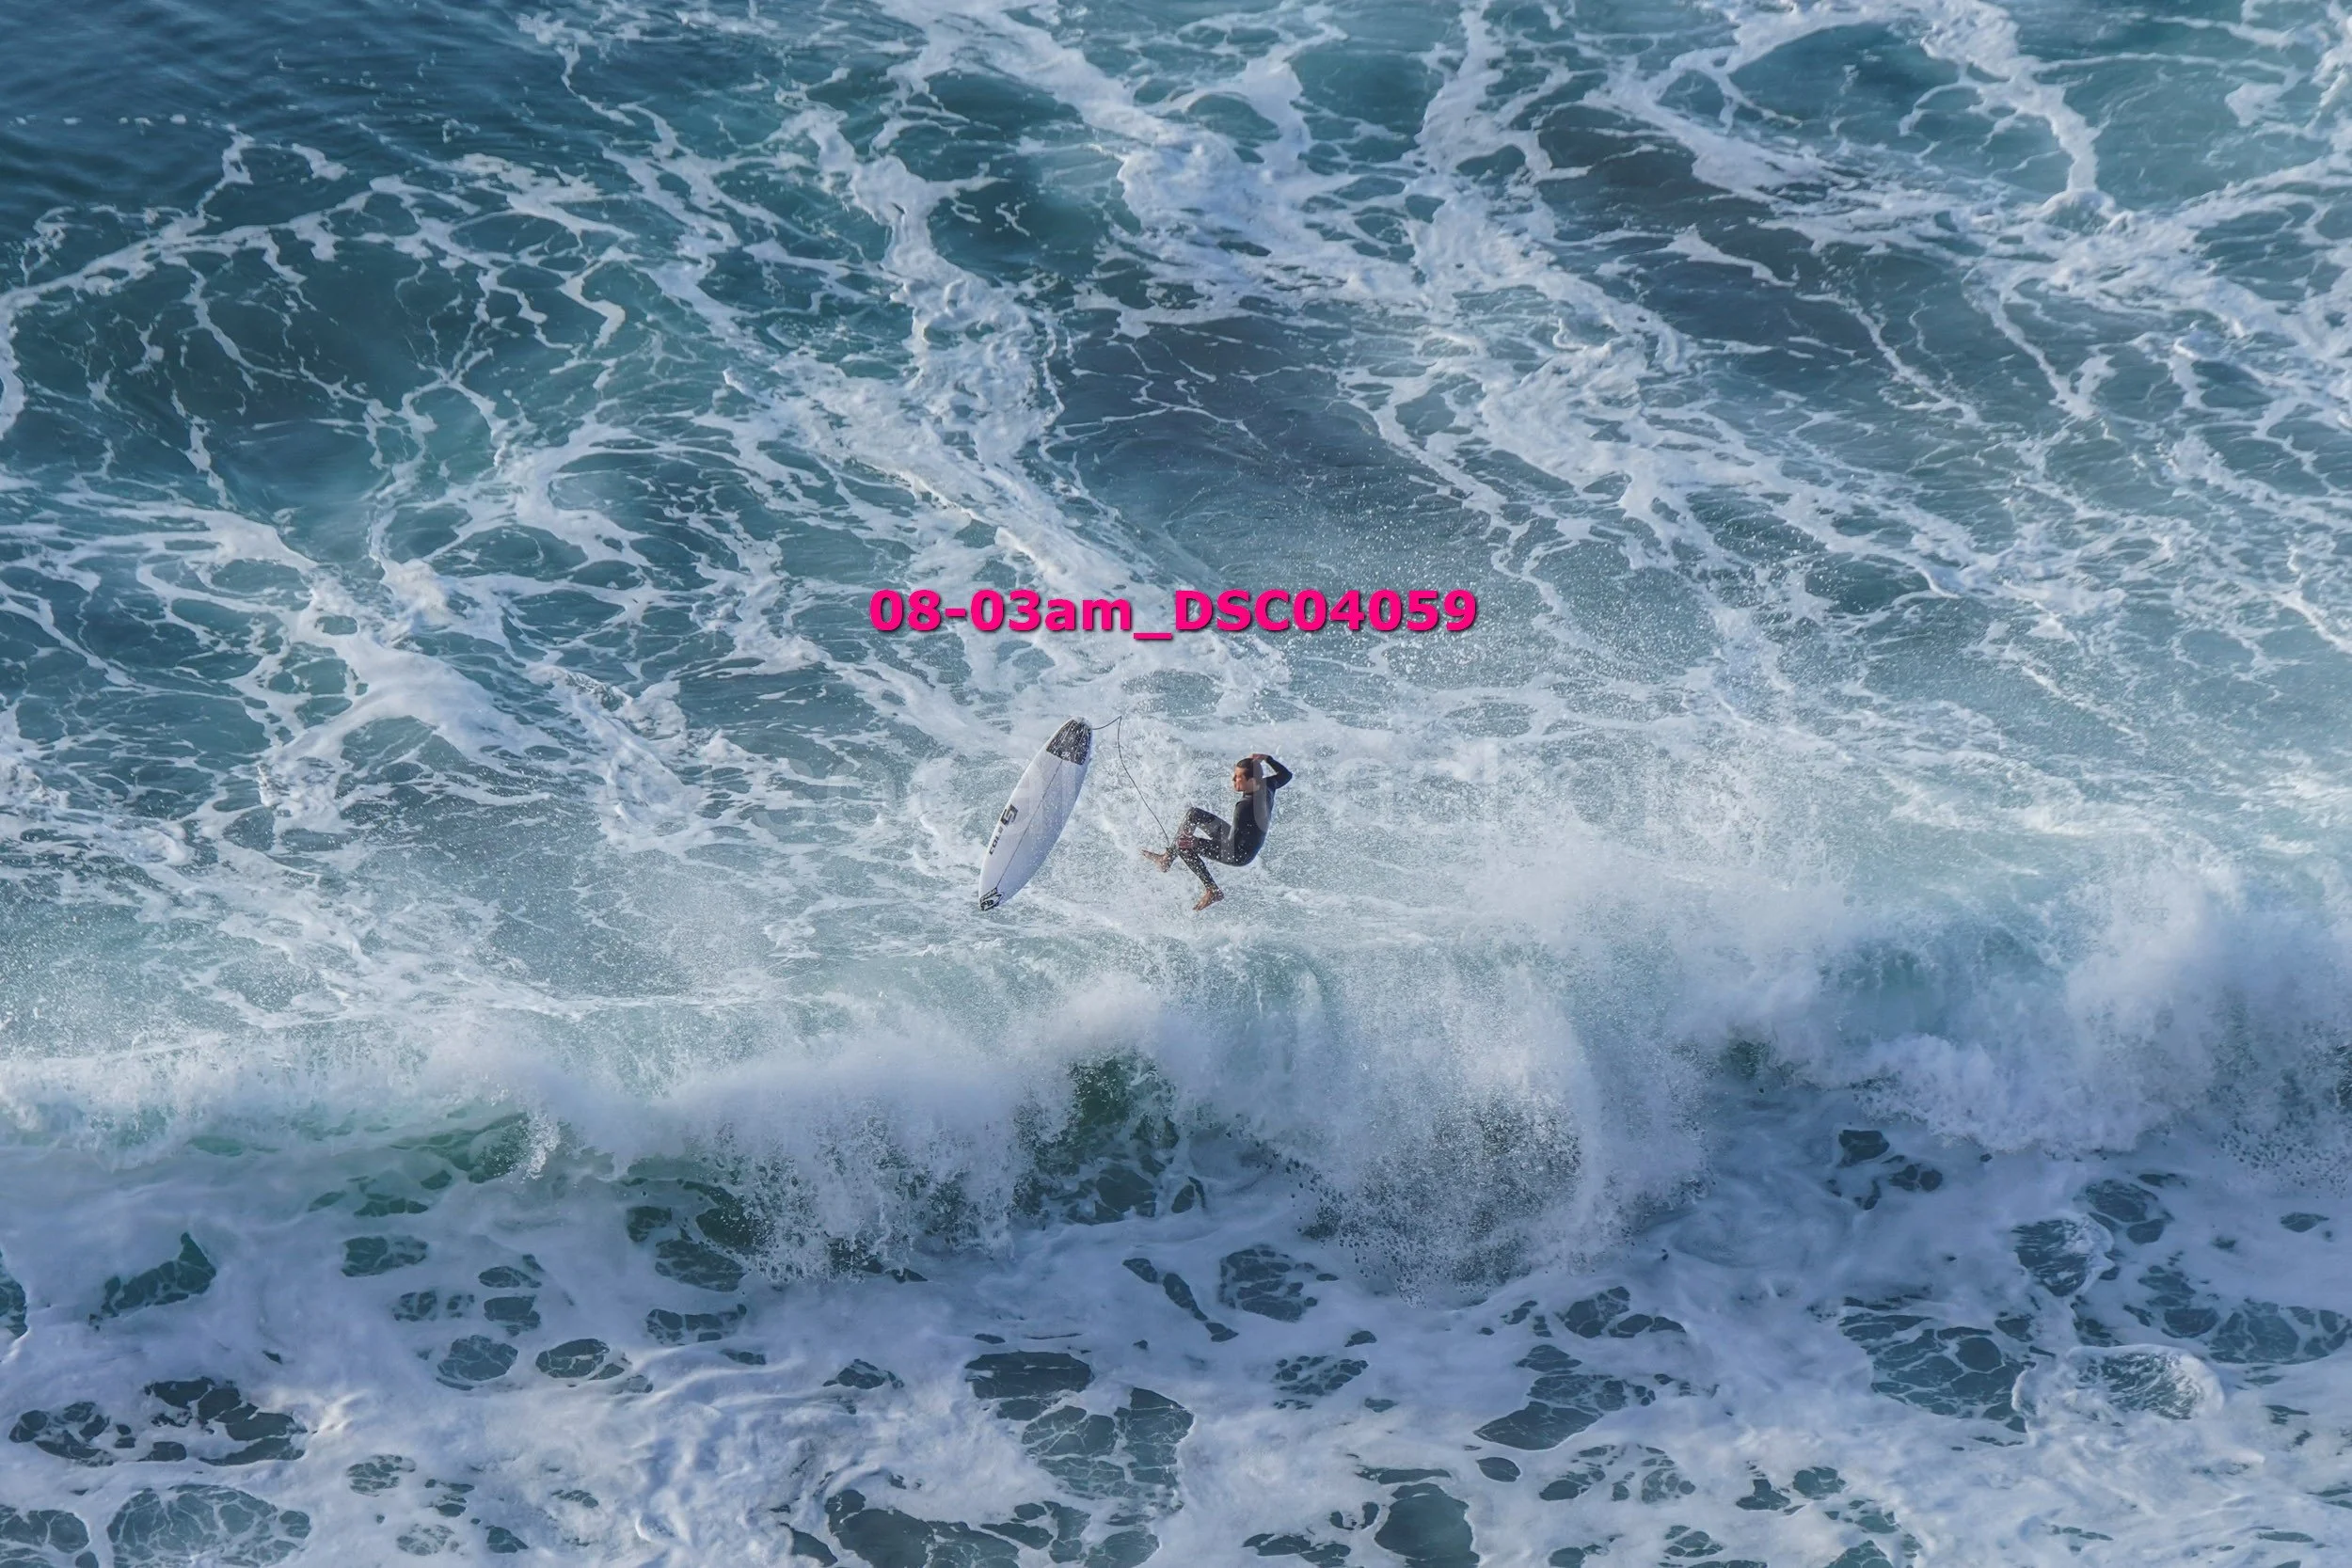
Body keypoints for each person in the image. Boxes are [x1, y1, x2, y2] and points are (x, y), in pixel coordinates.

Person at [1142, 752, 1293, 911]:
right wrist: (1268, 759)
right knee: (1194, 814)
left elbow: (1230, 846)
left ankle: (1212, 890)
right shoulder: (1267, 784)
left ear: (1252, 780)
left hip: (1239, 854)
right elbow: (1286, 775)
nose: (1233, 779)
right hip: (1242, 840)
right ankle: (1166, 859)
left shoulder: (1244, 807)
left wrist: (1196, 842)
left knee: (1184, 844)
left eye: (1238, 777)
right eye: (1234, 775)